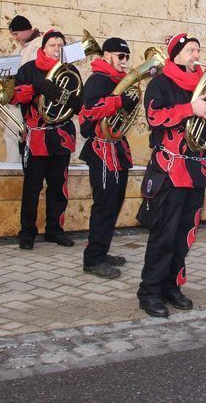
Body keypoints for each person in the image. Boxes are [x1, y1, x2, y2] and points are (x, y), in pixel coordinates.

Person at [137, 33, 206, 318]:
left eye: (197, 50)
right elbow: (154, 116)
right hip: (169, 169)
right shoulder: (161, 83)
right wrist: (190, 108)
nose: (196, 55)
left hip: (195, 168)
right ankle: (149, 292)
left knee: (185, 234)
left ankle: (172, 286)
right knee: (163, 234)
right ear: (176, 54)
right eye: (191, 50)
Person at [12, 29, 79, 250]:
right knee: (32, 187)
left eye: (61, 45)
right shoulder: (28, 70)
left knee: (58, 187)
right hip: (37, 135)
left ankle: (55, 230)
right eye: (53, 45)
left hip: (60, 135)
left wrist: (64, 96)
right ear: (43, 48)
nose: (57, 49)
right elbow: (16, 96)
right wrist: (38, 88)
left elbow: (79, 105)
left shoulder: (71, 72)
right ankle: (27, 232)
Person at [78, 37, 136, 279]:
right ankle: (93, 259)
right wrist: (119, 101)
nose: (124, 62)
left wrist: (125, 104)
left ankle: (101, 252)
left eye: (127, 58)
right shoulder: (98, 80)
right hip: (101, 151)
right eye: (120, 57)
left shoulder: (117, 81)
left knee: (114, 203)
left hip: (116, 148)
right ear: (107, 55)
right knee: (104, 206)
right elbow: (88, 112)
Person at [5, 15, 41, 163]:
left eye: (16, 33)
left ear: (27, 30)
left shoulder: (38, 45)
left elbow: (30, 72)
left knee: (14, 135)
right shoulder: (24, 47)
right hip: (18, 97)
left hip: (26, 99)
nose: (15, 37)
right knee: (12, 134)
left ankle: (14, 168)